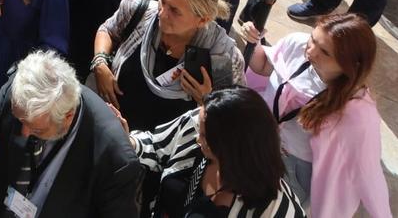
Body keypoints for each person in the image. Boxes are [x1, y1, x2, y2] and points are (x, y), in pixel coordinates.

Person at [0, 49, 141, 218]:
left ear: (67, 116)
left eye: (37, 129)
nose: (24, 133)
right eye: (21, 121)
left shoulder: (116, 159)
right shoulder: (23, 88)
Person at [240, 14, 390, 216]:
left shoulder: (355, 110)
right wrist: (253, 42)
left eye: (325, 52)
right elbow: (264, 66)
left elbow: (367, 171)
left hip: (291, 169)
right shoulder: (297, 44)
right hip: (257, 142)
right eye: (313, 38)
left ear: (349, 65)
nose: (310, 50)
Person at [92, 0, 246, 132]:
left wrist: (208, 101)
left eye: (174, 10)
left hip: (169, 147)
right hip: (110, 133)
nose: (162, 13)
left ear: (202, 20)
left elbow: (232, 122)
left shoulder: (225, 57)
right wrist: (100, 63)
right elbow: (108, 30)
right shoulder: (137, 11)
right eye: (162, 0)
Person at [123, 88, 306, 217]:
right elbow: (156, 145)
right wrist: (127, 141)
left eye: (204, 136)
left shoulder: (277, 209)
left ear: (233, 149)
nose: (197, 138)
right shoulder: (201, 121)